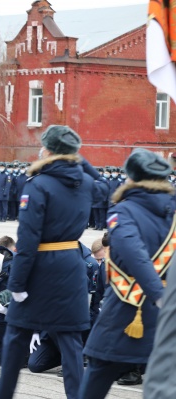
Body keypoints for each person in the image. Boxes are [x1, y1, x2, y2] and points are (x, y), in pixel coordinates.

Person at [0, 125, 108, 399]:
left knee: (17, 335)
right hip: (71, 263)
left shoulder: (38, 184)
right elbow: (104, 186)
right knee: (69, 339)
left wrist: (17, 282)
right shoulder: (85, 182)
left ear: (48, 150)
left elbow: (28, 238)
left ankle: (2, 395)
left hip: (41, 267)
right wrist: (79, 159)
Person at [81, 149, 173, 398]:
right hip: (168, 314)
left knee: (98, 371)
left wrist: (157, 295)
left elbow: (133, 252)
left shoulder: (124, 211)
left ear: (131, 178)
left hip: (127, 310)